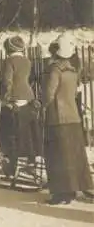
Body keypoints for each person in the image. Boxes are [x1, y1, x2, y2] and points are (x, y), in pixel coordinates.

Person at [43, 35, 94, 205]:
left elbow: (49, 94)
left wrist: (41, 105)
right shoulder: (72, 70)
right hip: (73, 117)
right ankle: (76, 187)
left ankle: (61, 193)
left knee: (58, 155)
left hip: (57, 117)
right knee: (74, 156)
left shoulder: (55, 70)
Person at [0, 36, 42, 177]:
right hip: (28, 98)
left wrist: (6, 98)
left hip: (14, 99)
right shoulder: (27, 61)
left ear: (8, 48)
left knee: (9, 132)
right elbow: (30, 79)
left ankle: (10, 163)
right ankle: (30, 161)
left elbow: (7, 81)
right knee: (27, 132)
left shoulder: (9, 61)